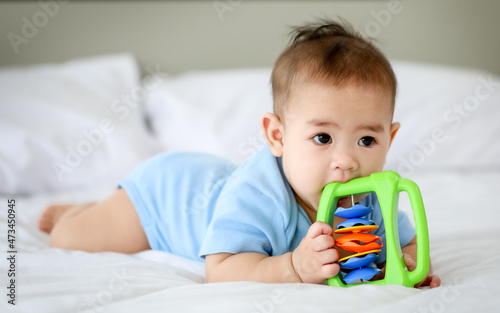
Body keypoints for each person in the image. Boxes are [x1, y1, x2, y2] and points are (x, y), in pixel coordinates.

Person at [38, 19, 440, 288]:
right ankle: (83, 209)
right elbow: (221, 269)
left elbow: (407, 243)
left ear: (390, 138)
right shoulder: (259, 196)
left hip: (211, 178)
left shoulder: (370, 198)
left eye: (366, 140)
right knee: (68, 239)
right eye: (322, 138)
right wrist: (292, 268)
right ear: (277, 136)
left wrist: (408, 264)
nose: (347, 161)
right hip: (167, 198)